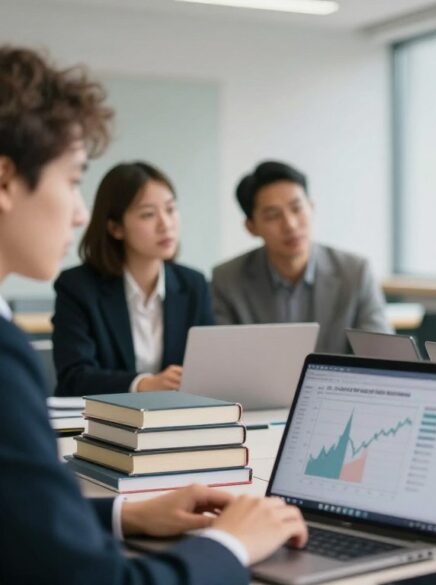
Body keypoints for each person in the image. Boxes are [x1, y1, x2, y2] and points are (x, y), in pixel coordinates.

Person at [0, 45, 306, 583]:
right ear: (5, 181)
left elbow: (15, 523)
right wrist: (230, 544)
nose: (78, 212)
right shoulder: (23, 339)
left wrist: (128, 513)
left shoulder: (191, 283)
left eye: (171, 209)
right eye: (72, 181)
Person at [52, 162, 213, 396]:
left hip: (178, 420)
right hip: (103, 425)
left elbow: (209, 370)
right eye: (148, 214)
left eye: (170, 209)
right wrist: (144, 384)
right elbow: (73, 377)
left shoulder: (194, 284)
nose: (166, 224)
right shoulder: (77, 286)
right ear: (116, 228)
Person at [211, 160, 391, 354]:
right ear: (251, 227)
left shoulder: (355, 272)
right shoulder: (227, 280)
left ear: (311, 208)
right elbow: (224, 359)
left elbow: (382, 358)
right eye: (273, 215)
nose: (290, 224)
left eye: (297, 208)